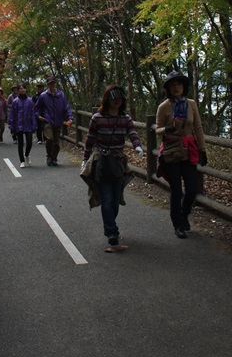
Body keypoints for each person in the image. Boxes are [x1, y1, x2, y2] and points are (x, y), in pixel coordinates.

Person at [80, 85, 144, 251]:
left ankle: (110, 224)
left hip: (118, 163)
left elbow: (133, 133)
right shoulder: (97, 118)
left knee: (115, 199)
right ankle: (111, 232)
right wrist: (85, 158)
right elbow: (90, 139)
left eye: (120, 98)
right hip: (101, 162)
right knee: (107, 198)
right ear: (107, 99)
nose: (117, 101)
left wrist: (137, 146)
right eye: (113, 98)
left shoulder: (125, 119)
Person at [155, 71, 208, 239]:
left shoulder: (191, 104)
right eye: (172, 85)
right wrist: (166, 129)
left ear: (184, 86)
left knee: (192, 190)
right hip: (172, 151)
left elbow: (198, 127)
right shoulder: (164, 107)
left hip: (189, 150)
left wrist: (203, 150)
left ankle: (185, 215)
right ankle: (177, 224)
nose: (176, 87)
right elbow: (157, 130)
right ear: (168, 89)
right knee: (176, 190)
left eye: (179, 84)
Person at [34, 75, 73, 166]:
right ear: (47, 85)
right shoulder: (43, 96)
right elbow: (36, 107)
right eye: (50, 84)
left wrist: (69, 117)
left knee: (56, 142)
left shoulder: (61, 95)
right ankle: (49, 156)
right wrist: (38, 115)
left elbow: (66, 107)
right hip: (48, 120)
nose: (52, 85)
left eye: (53, 83)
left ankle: (54, 158)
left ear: (55, 84)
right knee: (49, 139)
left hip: (58, 121)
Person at [8, 84, 37, 167]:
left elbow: (33, 113)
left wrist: (34, 125)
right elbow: (12, 114)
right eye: (20, 88)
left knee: (29, 142)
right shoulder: (15, 101)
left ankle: (27, 154)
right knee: (20, 143)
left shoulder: (30, 100)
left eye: (23, 88)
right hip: (19, 124)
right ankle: (22, 161)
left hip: (28, 124)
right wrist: (11, 126)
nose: (22, 90)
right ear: (18, 90)